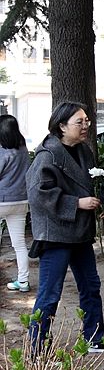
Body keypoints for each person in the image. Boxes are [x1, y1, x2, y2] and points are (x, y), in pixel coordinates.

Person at [26, 102, 104, 352]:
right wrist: (77, 203)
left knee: (91, 286)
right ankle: (37, 348)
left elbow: (93, 183)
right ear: (62, 126)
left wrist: (100, 203)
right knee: (50, 294)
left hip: (81, 234)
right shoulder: (47, 155)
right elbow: (38, 194)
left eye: (87, 121)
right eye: (80, 122)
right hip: (56, 235)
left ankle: (94, 337)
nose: (85, 126)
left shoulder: (84, 151)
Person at [1, 115, 32, 293]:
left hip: (2, 199)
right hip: (21, 200)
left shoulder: (2, 151)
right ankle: (23, 281)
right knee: (19, 244)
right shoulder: (23, 150)